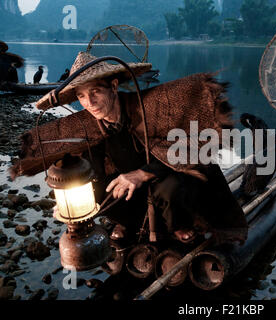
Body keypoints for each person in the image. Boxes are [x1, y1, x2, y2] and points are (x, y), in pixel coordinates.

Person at [26, 51, 248, 245]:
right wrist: (69, 204)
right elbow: (92, 170)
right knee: (99, 192)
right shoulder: (90, 127)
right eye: (81, 96)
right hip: (129, 184)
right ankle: (130, 223)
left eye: (95, 92)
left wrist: (142, 174)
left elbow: (190, 147)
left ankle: (179, 224)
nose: (90, 103)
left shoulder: (152, 108)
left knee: (170, 189)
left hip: (166, 172)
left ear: (113, 86)